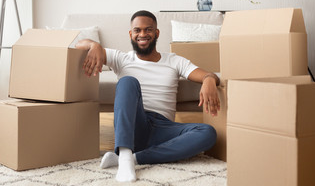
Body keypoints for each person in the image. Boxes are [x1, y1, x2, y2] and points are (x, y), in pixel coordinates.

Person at [76, 10, 220, 182]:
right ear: (131, 34)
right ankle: (125, 152)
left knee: (207, 132)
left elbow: (207, 75)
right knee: (128, 81)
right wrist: (95, 45)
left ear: (156, 33)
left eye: (148, 29)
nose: (142, 34)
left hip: (163, 128)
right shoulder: (121, 58)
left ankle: (133, 158)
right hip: (136, 124)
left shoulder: (174, 60)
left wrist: (209, 79)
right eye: (137, 30)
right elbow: (78, 44)